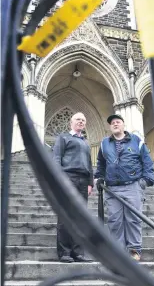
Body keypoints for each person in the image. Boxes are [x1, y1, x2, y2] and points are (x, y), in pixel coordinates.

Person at [94, 114, 154, 261]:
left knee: (133, 219)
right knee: (115, 220)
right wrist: (99, 176)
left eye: (118, 122)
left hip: (132, 186)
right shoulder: (104, 143)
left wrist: (145, 181)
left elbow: (147, 161)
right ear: (110, 126)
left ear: (123, 125)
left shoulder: (136, 141)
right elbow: (101, 163)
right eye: (112, 123)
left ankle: (135, 250)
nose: (115, 124)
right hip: (112, 188)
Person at [53, 112, 93, 263]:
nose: (81, 122)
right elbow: (56, 158)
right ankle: (64, 252)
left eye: (83, 120)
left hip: (83, 181)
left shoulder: (85, 142)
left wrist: (90, 182)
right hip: (67, 177)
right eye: (78, 119)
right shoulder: (63, 138)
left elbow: (89, 163)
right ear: (71, 122)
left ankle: (78, 252)